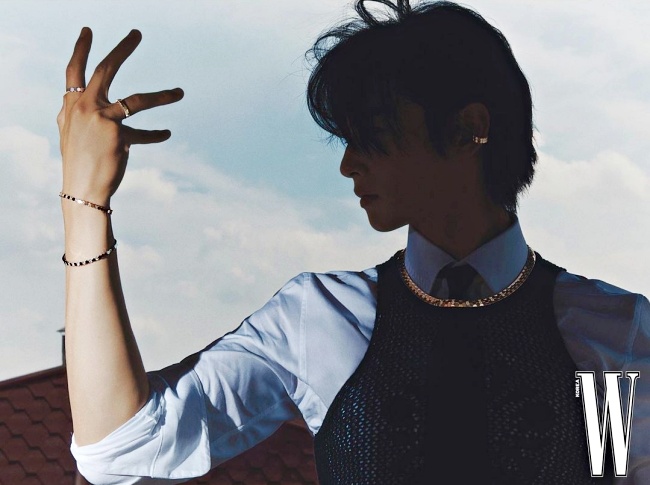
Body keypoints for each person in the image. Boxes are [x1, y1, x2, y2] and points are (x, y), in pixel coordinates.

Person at [59, 1, 649, 484]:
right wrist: (84, 200)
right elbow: (121, 447)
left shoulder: (608, 337)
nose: (348, 165)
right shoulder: (316, 321)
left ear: (468, 129)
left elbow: (617, 471)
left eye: (371, 133)